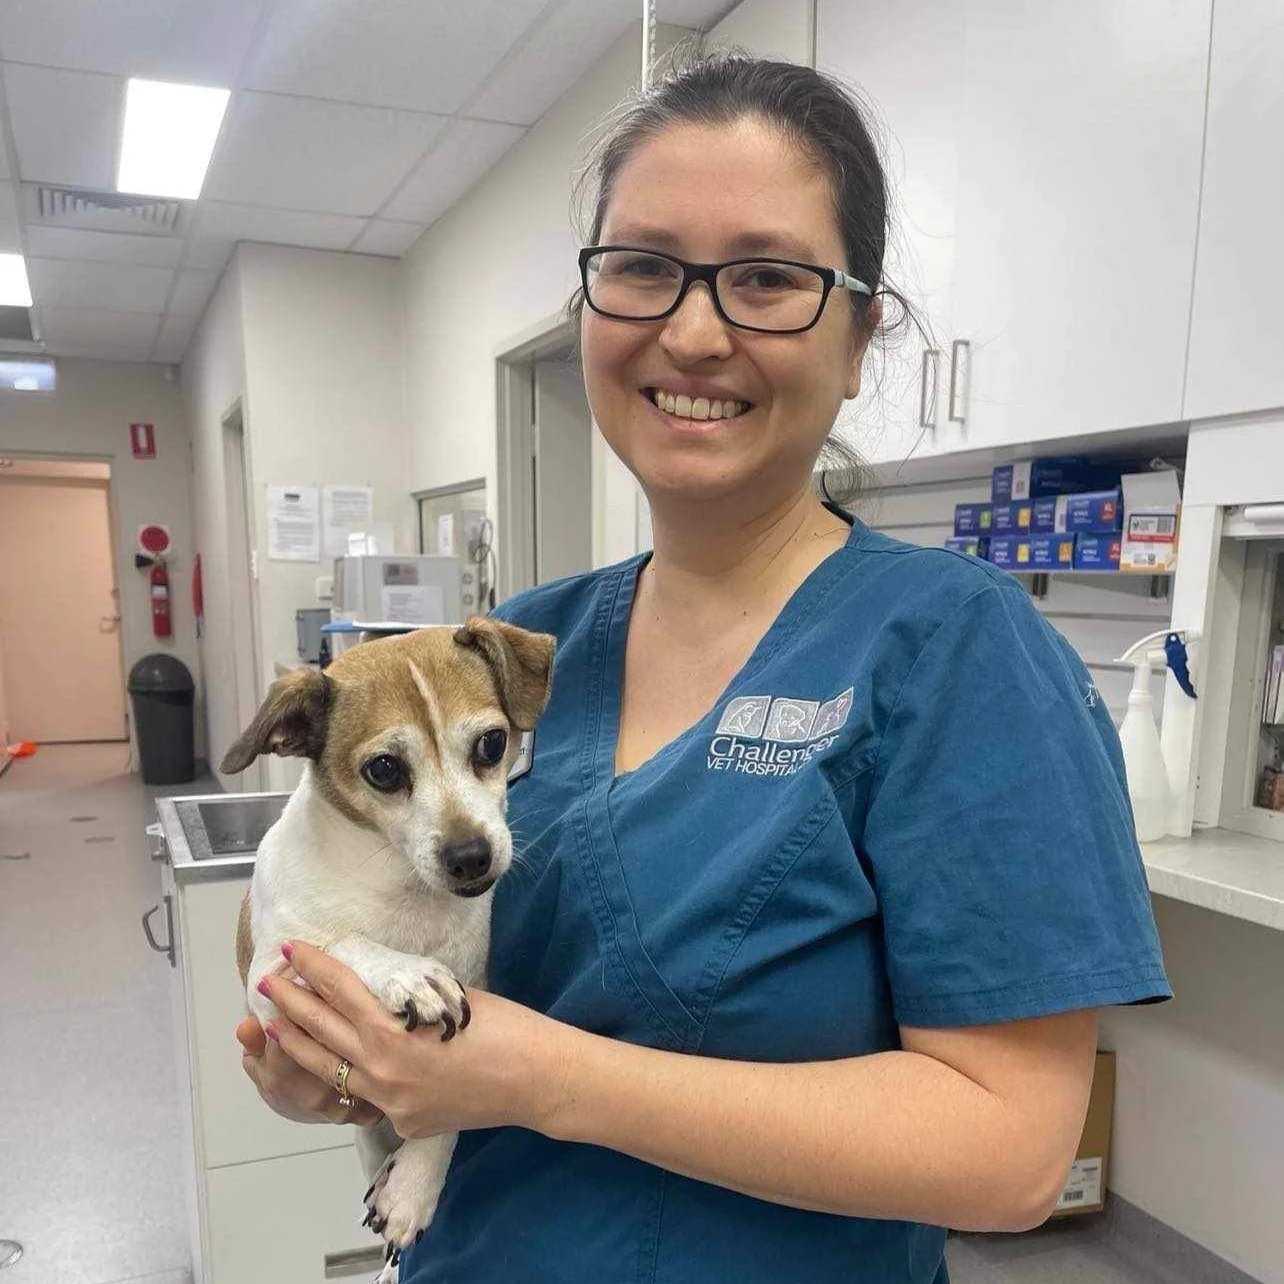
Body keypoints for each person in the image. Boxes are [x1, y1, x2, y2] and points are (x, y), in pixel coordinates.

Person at [237, 53, 1170, 1283]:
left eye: (768, 278)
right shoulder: (518, 654)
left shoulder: (958, 651)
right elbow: (351, 951)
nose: (691, 331)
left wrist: (546, 1079)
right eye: (643, 267)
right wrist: (330, 1073)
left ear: (859, 339)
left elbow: (1010, 1155)